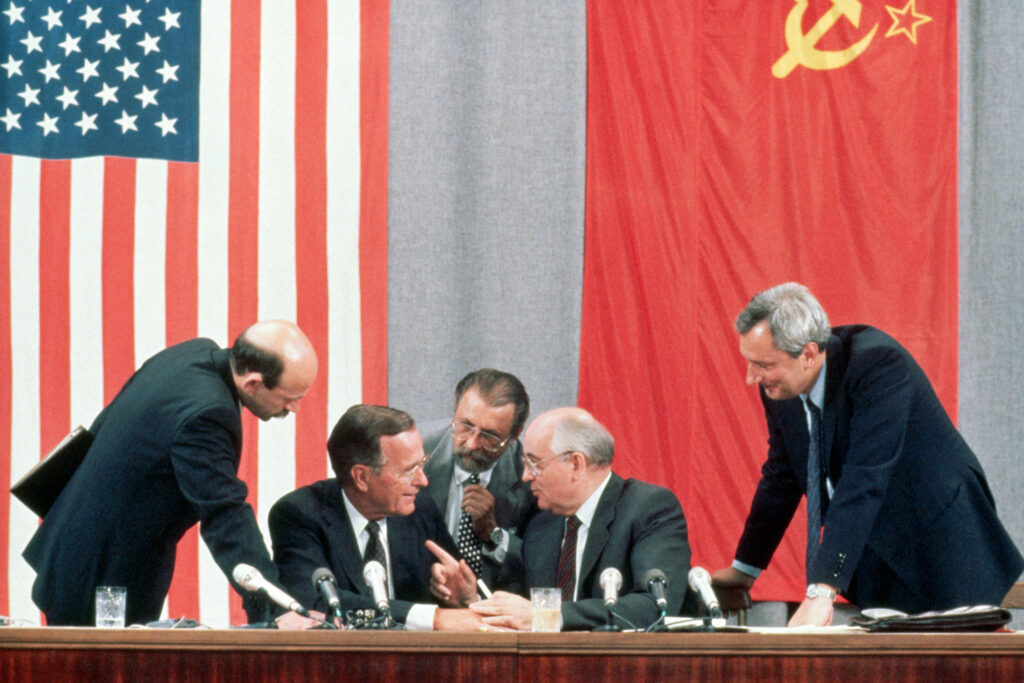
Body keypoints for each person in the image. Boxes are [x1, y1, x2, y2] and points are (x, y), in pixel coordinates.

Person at [712, 282, 1024, 627]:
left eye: (763, 365)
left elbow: (864, 478)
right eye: (750, 362)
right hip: (876, 555)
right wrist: (746, 568)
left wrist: (822, 592)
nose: (751, 377)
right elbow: (781, 478)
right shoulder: (779, 385)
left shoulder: (877, 364)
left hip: (943, 544)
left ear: (809, 354)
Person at [23, 320, 319, 627]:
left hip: (73, 549)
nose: (295, 408)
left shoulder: (191, 353)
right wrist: (280, 609)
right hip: (101, 577)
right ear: (253, 383)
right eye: (289, 397)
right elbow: (226, 518)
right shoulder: (208, 414)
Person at [430, 407, 692, 631]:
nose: (526, 476)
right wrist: (472, 597)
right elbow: (523, 609)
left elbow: (655, 606)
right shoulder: (543, 526)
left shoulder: (649, 508)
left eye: (534, 464)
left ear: (576, 464)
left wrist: (549, 615)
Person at [269, 404, 487, 630]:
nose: (423, 481)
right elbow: (312, 604)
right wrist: (432, 617)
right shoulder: (298, 514)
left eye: (421, 464)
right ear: (361, 477)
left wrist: (467, 600)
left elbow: (460, 607)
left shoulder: (421, 509)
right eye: (408, 470)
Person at [421, 369, 536, 592]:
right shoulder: (416, 453)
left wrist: (494, 534)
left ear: (514, 435)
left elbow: (543, 565)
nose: (472, 443)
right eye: (465, 426)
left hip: (494, 609)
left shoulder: (531, 478)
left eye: (489, 436)